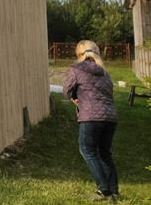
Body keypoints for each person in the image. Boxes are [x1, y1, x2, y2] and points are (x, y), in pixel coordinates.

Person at [63, 40, 119, 201]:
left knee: (87, 150)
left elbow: (67, 91)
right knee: (105, 153)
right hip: (110, 117)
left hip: (90, 116)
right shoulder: (105, 72)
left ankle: (104, 190)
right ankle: (114, 190)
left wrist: (75, 97)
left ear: (79, 54)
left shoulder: (76, 69)